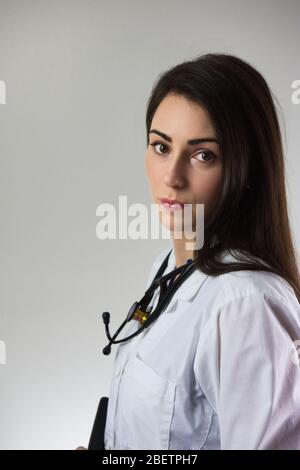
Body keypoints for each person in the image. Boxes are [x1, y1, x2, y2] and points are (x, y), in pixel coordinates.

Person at [79, 53, 300, 450]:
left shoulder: (246, 303)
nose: (172, 176)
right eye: (161, 147)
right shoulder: (168, 268)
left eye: (203, 155)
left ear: (245, 170)